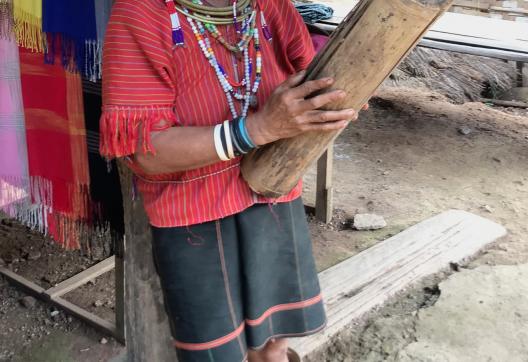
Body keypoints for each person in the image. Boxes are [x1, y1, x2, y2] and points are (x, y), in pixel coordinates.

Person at [101, 0, 363, 361]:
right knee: (219, 353)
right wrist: (257, 128)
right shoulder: (141, 13)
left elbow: (312, 71)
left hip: (272, 192)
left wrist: (342, 92)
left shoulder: (267, 5)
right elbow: (146, 150)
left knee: (274, 343)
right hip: (193, 214)